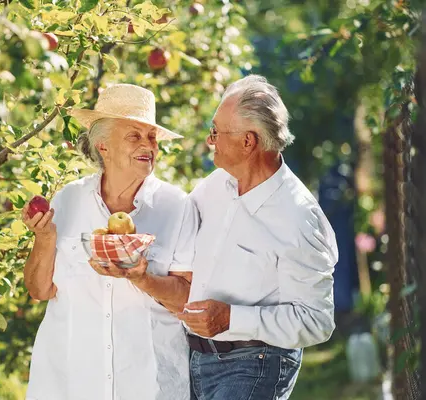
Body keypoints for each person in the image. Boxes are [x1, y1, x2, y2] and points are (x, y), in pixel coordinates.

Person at [23, 84, 197, 400]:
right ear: (103, 146)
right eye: (135, 136)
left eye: (153, 138)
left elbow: (188, 300)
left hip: (149, 386)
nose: (149, 145)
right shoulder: (68, 200)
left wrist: (142, 278)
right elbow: (39, 290)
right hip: (68, 383)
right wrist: (45, 239)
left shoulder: (178, 207)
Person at [177, 75, 338, 400]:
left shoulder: (297, 216)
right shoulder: (214, 186)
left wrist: (232, 318)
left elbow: (317, 320)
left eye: (216, 132)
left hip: (256, 363)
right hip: (194, 360)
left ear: (248, 142)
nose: (211, 141)